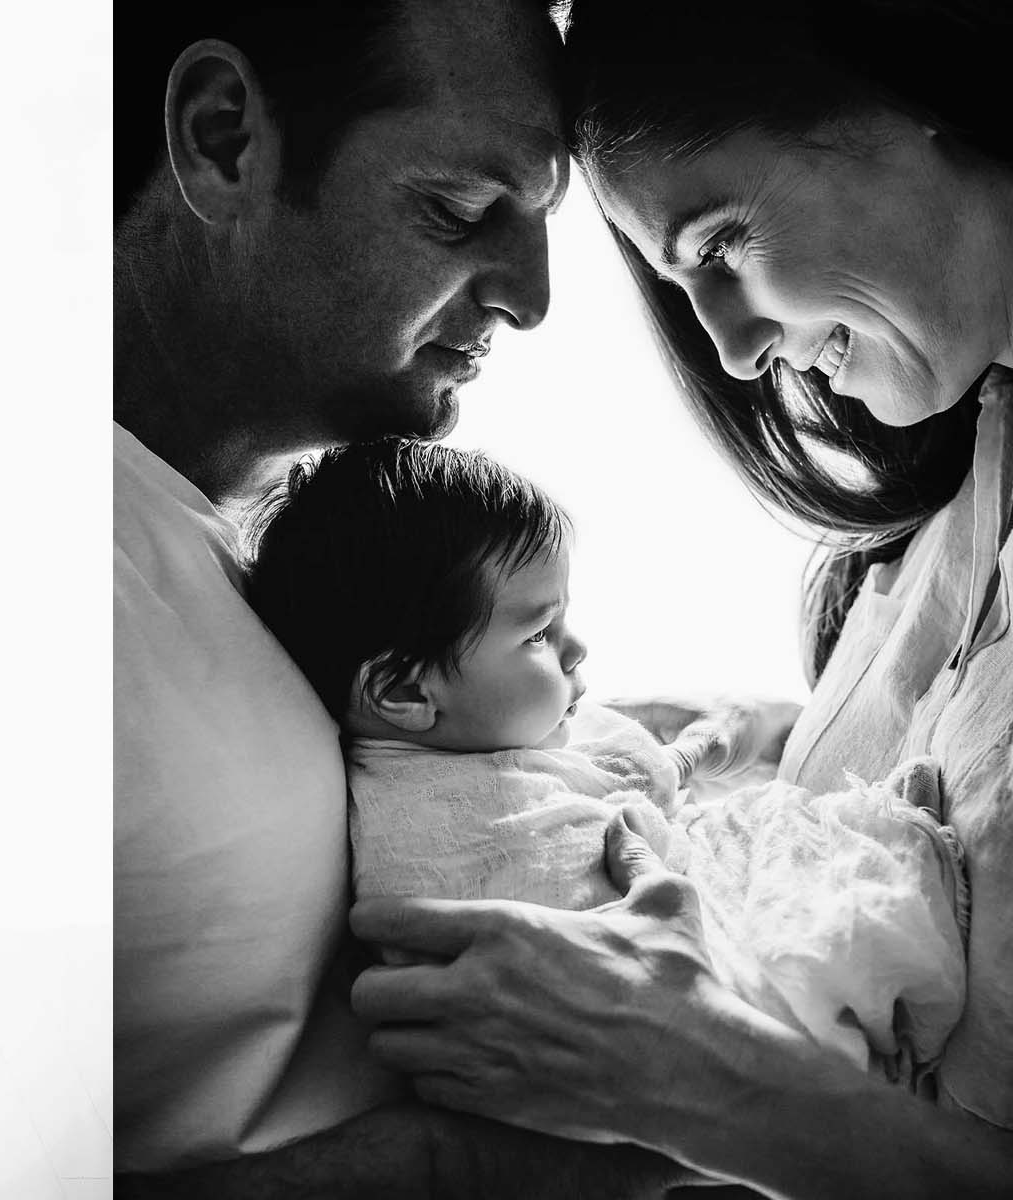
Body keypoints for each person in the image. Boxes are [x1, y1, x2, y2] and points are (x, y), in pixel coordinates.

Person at [345, 0, 1013, 1192]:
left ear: (909, 88)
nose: (734, 350)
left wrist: (696, 1072)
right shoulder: (947, 510)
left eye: (717, 247)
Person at [113, 1, 780, 1192]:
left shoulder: (301, 534)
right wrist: (449, 1164)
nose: (532, 298)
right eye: (461, 209)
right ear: (222, 140)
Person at [247, 437, 968, 1078]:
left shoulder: (473, 738)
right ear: (404, 692)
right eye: (538, 634)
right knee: (851, 891)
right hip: (682, 1065)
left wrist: (682, 762)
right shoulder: (457, 838)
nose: (577, 649)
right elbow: (614, 960)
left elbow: (630, 790)